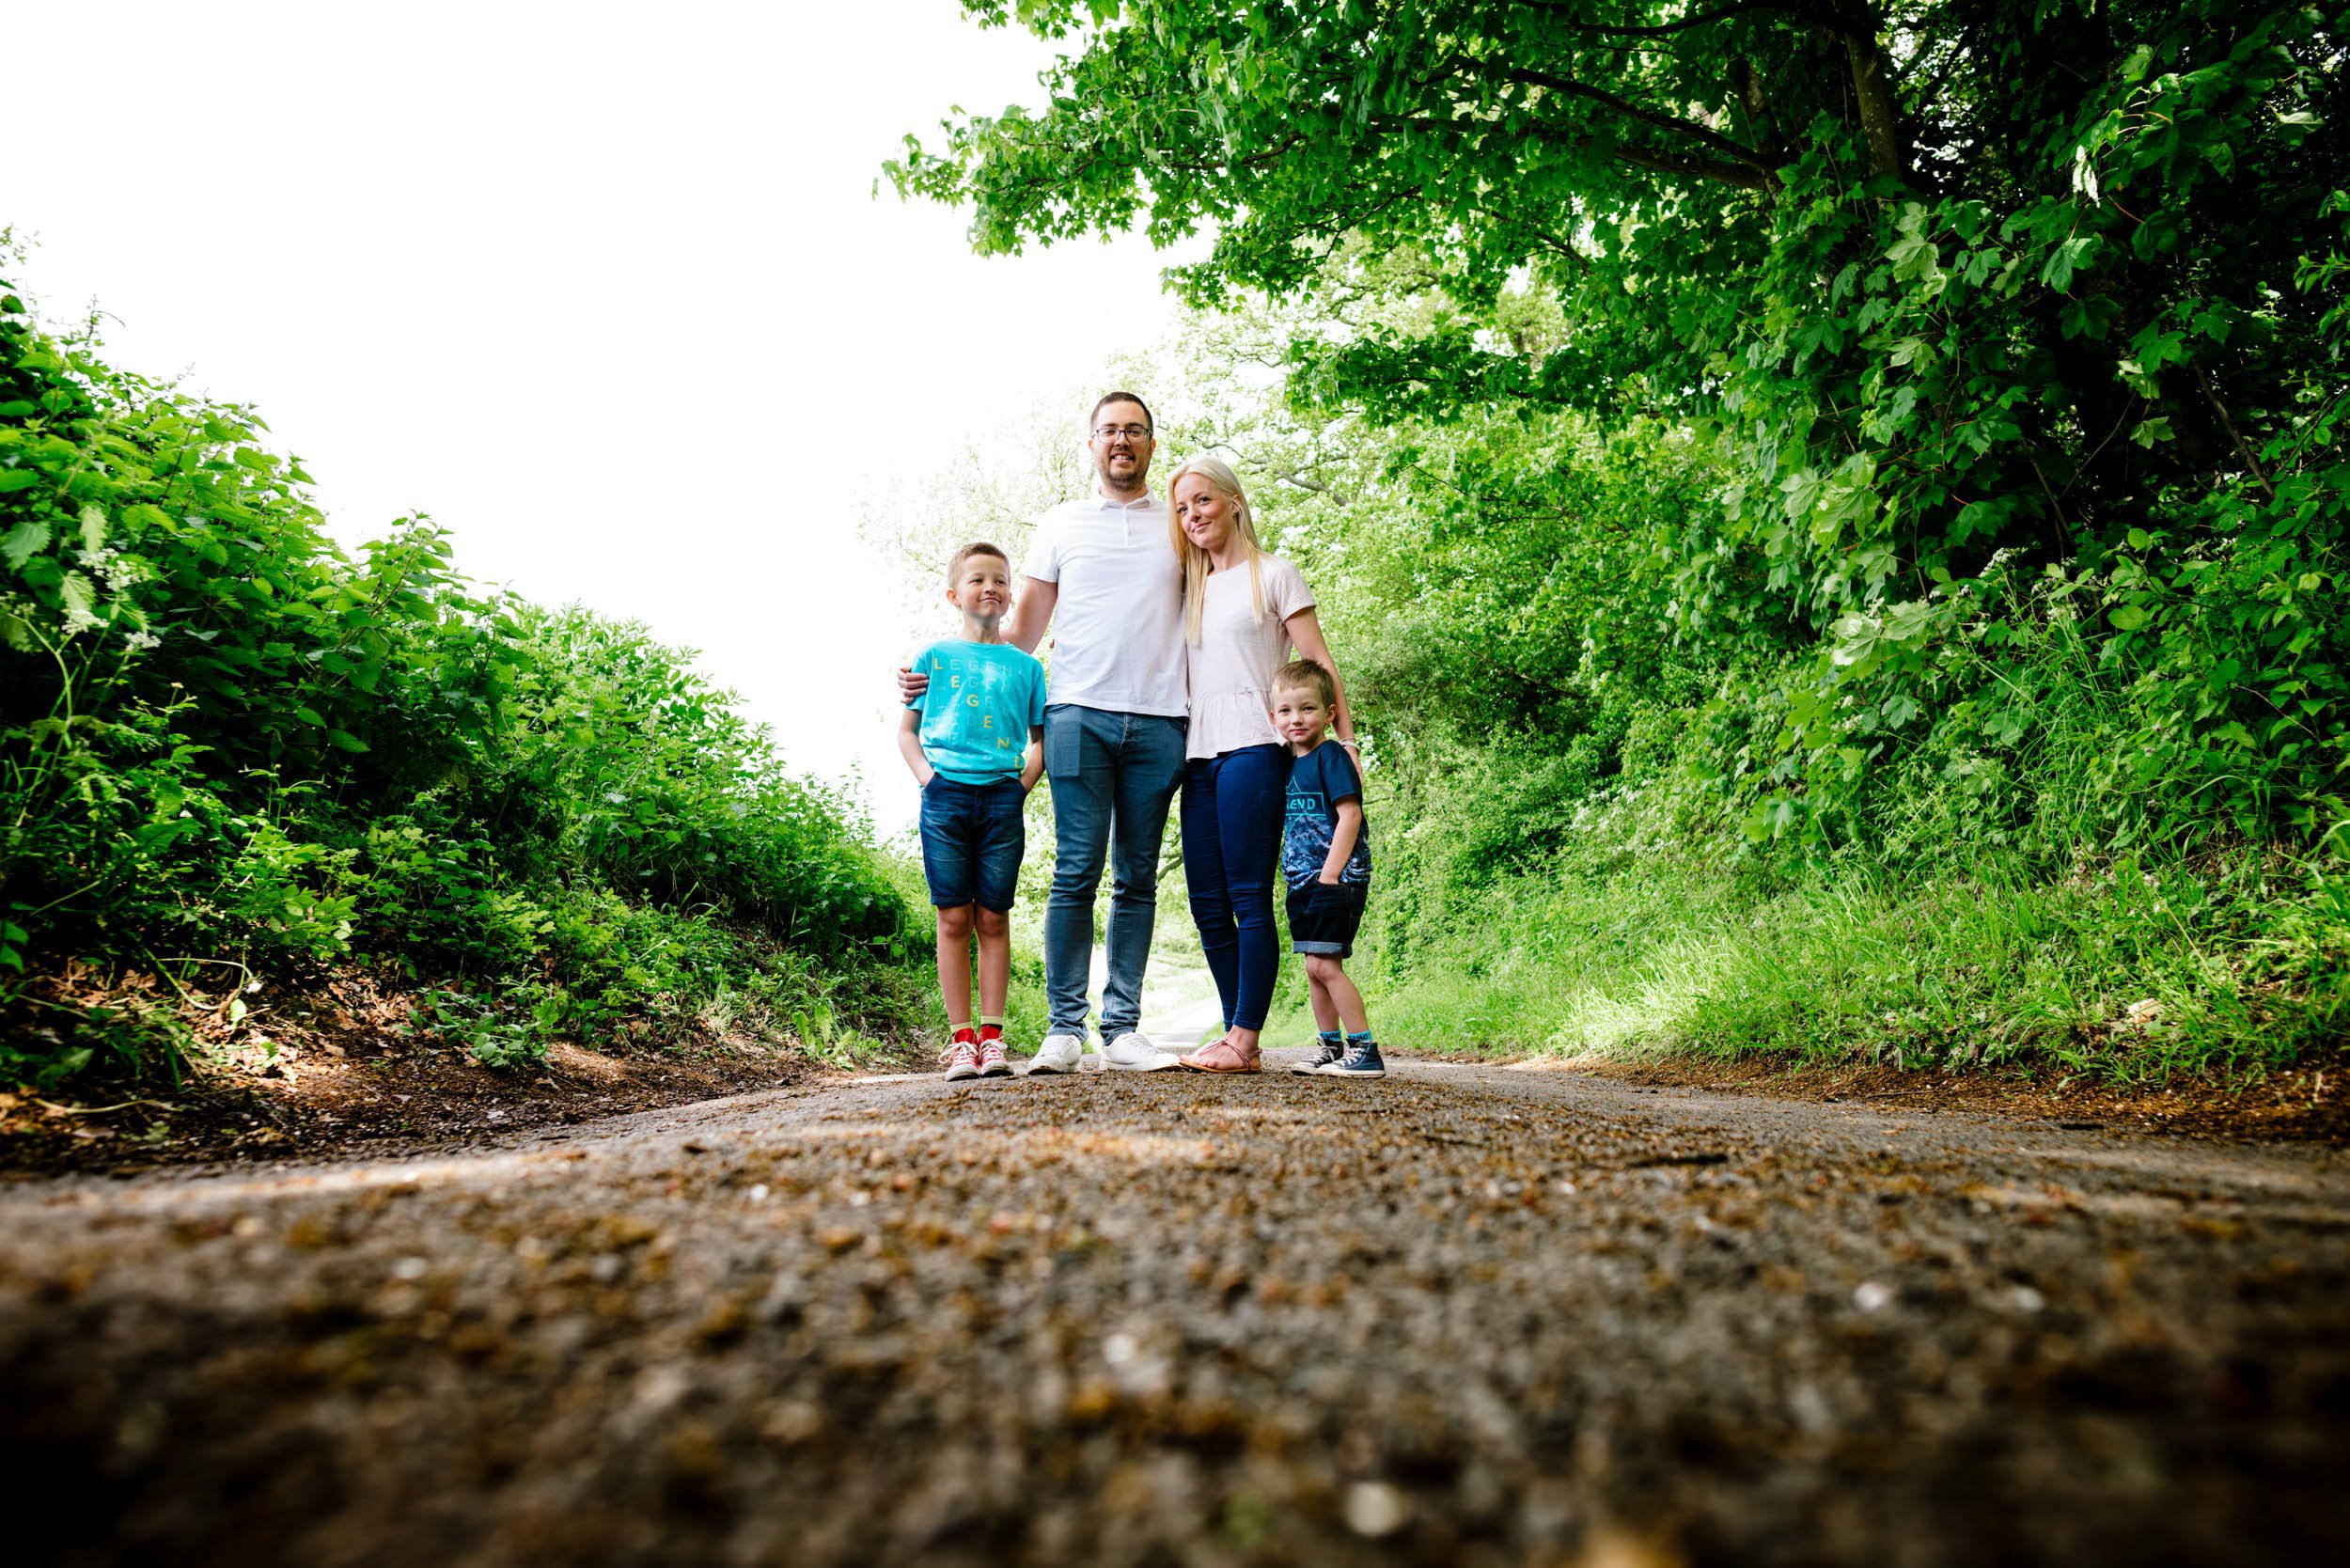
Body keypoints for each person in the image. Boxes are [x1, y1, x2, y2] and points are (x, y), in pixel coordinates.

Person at [899, 394, 1188, 1074]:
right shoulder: (1061, 523)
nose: (1122, 440)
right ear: (1091, 443)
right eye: (1109, 430)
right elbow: (1016, 640)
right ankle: (1064, 1029)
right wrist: (932, 678)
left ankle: (1122, 1030)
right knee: (1075, 873)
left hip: (1159, 718)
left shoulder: (1177, 524)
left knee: (1137, 878)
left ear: (1151, 442)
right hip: (1076, 714)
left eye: (1134, 431)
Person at [1162, 455, 1355, 1074]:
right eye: (1182, 507)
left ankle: (1244, 1037)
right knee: (1207, 903)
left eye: (1203, 501)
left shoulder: (1275, 575)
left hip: (1255, 749)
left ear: (1234, 501)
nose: (1193, 515)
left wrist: (1344, 745)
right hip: (1197, 757)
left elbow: (1319, 662)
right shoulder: (1188, 588)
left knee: (1248, 894)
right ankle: (1232, 1034)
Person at [897, 542, 1046, 1080]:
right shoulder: (933, 657)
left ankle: (993, 1038)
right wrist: (930, 781)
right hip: (945, 799)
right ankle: (962, 1041)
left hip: (1002, 798)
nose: (990, 588)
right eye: (978, 579)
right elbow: (907, 733)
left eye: (1000, 580)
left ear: (1010, 594)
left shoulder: (1026, 668)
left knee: (992, 916)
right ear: (954, 594)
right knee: (954, 917)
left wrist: (1021, 787)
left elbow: (1039, 738)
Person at [1269, 659, 1382, 1078]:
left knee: (1326, 966)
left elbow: (1349, 816)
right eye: (1285, 711)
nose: (1296, 719)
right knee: (1313, 968)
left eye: (1307, 709)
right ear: (1273, 716)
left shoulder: (1330, 756)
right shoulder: (1286, 763)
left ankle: (1364, 1048)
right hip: (1302, 881)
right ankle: (1330, 1047)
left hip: (1336, 878)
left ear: (1329, 714)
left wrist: (1331, 874)